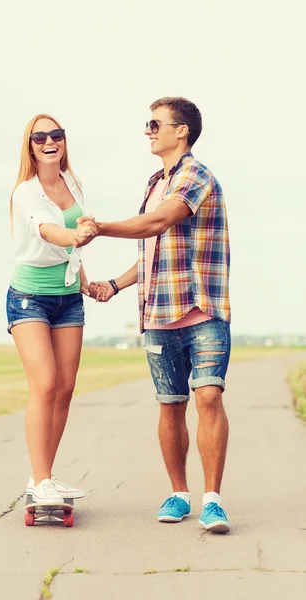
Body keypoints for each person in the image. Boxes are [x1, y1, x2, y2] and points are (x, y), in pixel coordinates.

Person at [83, 97, 232, 533]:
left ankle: (213, 501)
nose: (148, 131)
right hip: (158, 314)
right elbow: (151, 250)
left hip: (202, 309)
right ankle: (179, 493)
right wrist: (114, 284)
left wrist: (100, 227)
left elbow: (157, 224)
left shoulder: (195, 176)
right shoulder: (153, 182)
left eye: (155, 123)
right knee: (171, 405)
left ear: (181, 130)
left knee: (208, 397)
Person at [7, 113, 96, 508]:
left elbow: (69, 246)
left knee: (64, 389)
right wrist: (75, 235)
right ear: (30, 146)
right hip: (29, 296)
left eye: (55, 135)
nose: (49, 141)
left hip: (68, 297)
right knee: (43, 384)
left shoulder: (72, 182)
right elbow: (48, 230)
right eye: (39, 136)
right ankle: (42, 479)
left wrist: (84, 279)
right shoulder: (25, 192)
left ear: (63, 141)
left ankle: (42, 477)